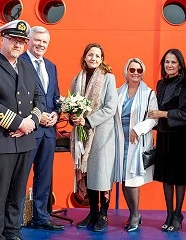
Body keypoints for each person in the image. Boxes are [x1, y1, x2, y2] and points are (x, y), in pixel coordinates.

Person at [0, 20, 46, 240]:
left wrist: (30, 123)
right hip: (2, 140)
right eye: (14, 39)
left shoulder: (26, 66)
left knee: (17, 193)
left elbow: (39, 99)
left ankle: (13, 233)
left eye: (22, 41)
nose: (18, 44)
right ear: (2, 38)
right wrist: (18, 123)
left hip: (25, 140)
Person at [69, 43, 119, 232]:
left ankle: (103, 214)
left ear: (102, 59)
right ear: (84, 57)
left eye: (98, 56)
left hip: (101, 134)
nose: (94, 58)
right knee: (88, 173)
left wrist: (87, 120)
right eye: (91, 55)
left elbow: (110, 107)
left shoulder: (109, 78)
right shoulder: (77, 79)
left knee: (101, 174)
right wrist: (74, 117)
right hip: (82, 135)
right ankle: (92, 212)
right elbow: (72, 104)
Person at [18, 26, 64, 231]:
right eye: (37, 40)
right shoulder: (19, 61)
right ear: (29, 40)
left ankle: (41, 218)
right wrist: (37, 116)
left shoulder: (51, 66)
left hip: (48, 132)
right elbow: (16, 96)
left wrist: (56, 114)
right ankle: (15, 220)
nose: (41, 45)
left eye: (44, 42)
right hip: (28, 129)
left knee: (44, 176)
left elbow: (55, 96)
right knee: (20, 175)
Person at [149, 48, 186, 232]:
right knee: (166, 178)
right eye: (167, 62)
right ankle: (169, 212)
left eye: (173, 62)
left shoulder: (185, 83)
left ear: (180, 64)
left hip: (180, 136)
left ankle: (178, 213)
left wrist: (163, 114)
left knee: (179, 178)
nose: (169, 65)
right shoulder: (161, 84)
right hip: (163, 136)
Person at [113, 58, 158, 232]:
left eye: (139, 70)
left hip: (136, 140)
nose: (135, 73)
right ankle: (134, 213)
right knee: (124, 179)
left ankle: (134, 215)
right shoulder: (118, 92)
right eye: (132, 70)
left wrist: (138, 129)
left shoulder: (149, 93)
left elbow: (153, 118)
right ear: (126, 71)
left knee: (132, 179)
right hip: (119, 139)